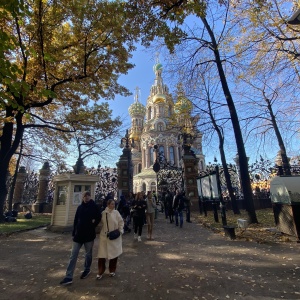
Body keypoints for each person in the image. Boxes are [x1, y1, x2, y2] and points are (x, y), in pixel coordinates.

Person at [60, 191, 101, 285]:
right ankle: (68, 276)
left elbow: (99, 217)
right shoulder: (80, 207)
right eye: (85, 196)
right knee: (73, 255)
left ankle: (87, 269)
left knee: (88, 254)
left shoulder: (94, 207)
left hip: (89, 235)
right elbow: (75, 220)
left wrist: (93, 225)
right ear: (83, 198)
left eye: (88, 196)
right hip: (78, 235)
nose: (86, 197)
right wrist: (74, 232)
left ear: (90, 197)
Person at [97, 199, 124, 279]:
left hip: (114, 236)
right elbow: (100, 223)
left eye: (114, 204)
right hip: (104, 236)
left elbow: (121, 222)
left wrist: (120, 231)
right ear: (108, 205)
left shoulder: (116, 213)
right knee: (102, 255)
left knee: (114, 255)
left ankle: (112, 270)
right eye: (112, 204)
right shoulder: (103, 213)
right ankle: (100, 271)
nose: (113, 205)